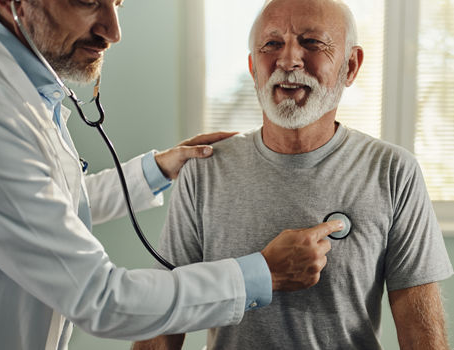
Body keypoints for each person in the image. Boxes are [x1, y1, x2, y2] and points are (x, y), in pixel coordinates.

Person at [0, 0, 346, 349]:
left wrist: (157, 169)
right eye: (88, 2)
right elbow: (102, 299)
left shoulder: (24, 89)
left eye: (117, 5)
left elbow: (40, 206)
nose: (114, 31)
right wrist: (263, 273)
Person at [133, 0, 454, 349]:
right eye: (271, 45)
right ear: (253, 67)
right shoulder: (203, 172)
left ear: (351, 65)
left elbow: (422, 338)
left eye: (312, 43)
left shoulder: (394, 172)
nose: (287, 61)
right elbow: (164, 321)